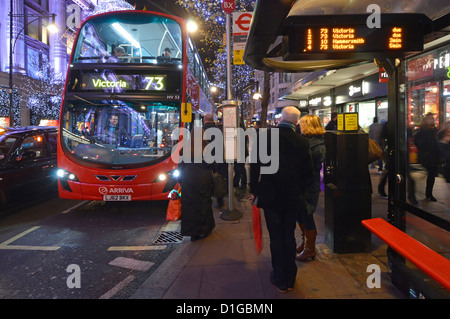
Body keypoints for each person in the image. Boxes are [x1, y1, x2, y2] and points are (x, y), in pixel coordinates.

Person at [250, 106, 313, 293]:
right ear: (296, 122)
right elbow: (308, 173)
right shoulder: (302, 142)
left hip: (270, 196)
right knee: (289, 235)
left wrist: (254, 190)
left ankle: (279, 278)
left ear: (280, 119)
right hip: (291, 196)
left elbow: (254, 166)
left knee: (276, 236)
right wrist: (300, 191)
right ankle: (291, 277)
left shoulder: (264, 137)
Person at [295, 115, 326, 261]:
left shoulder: (316, 145)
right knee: (300, 213)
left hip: (308, 184)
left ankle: (310, 249)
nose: (299, 126)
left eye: (302, 124)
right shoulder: (307, 141)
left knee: (307, 214)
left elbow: (309, 167)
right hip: (302, 183)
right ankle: (305, 242)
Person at [179, 127, 215, 241]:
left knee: (189, 205)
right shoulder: (206, 147)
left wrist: (180, 181)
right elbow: (212, 164)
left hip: (188, 178)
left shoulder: (185, 147)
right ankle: (204, 229)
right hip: (203, 179)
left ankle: (192, 232)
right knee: (203, 203)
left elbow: (181, 165)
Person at [414, 113, 439, 201]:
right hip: (427, 156)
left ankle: (429, 193)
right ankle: (428, 194)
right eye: (429, 118)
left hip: (433, 156)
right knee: (431, 174)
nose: (431, 120)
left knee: (432, 175)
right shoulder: (422, 130)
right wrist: (424, 147)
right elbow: (417, 141)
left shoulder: (435, 130)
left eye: (432, 118)